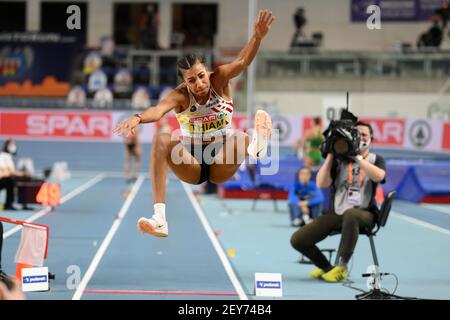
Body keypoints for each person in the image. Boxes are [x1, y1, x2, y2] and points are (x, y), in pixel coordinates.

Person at [113, 9, 275, 238]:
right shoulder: (179, 96)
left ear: (207, 71)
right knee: (161, 139)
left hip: (222, 161)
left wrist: (257, 37)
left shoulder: (220, 79)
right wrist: (138, 118)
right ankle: (159, 219)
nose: (199, 83)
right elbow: (157, 111)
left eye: (201, 76)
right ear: (184, 82)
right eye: (191, 80)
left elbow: (242, 61)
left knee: (239, 135)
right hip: (193, 165)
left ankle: (256, 149)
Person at [290, 121, 386, 282]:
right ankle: (327, 268)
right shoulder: (339, 161)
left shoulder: (376, 159)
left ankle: (342, 267)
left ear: (372, 139)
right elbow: (321, 184)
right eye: (358, 134)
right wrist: (331, 155)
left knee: (351, 214)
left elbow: (379, 176)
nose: (361, 137)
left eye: (365, 135)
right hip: (338, 213)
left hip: (364, 214)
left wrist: (358, 159)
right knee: (298, 240)